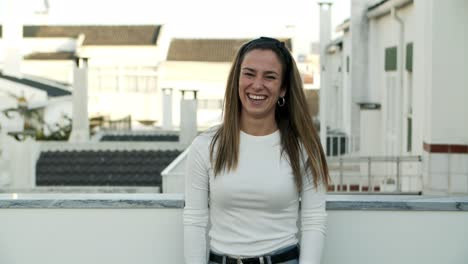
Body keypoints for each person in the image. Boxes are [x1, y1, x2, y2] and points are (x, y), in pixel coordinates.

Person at [184, 37, 330, 264]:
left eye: (269, 77)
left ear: (283, 89)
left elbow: (314, 221)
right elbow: (194, 220)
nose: (257, 84)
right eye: (249, 74)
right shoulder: (206, 146)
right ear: (237, 80)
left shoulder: (304, 148)